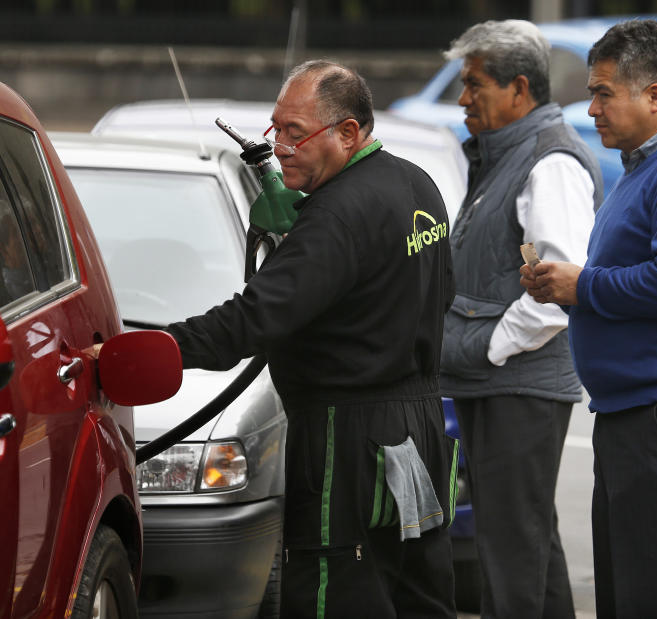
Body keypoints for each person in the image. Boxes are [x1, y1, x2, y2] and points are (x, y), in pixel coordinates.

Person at [164, 60, 457, 617]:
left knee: (334, 594)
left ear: (348, 133)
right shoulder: (417, 183)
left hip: (346, 438)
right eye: (276, 129)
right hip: (418, 427)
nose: (279, 147)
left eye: (295, 133)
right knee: (416, 595)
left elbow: (251, 321)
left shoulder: (336, 216)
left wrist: (157, 350)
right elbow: (440, 293)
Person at [520, 19, 657, 619]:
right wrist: (567, 287)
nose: (590, 108)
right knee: (630, 597)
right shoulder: (647, 166)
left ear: (655, 96)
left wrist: (581, 286)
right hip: (635, 417)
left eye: (602, 93)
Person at [434, 19, 602, 619]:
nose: (462, 99)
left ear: (519, 88)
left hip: (518, 382)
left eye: (474, 85)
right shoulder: (507, 154)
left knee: (511, 548)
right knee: (526, 540)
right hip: (501, 380)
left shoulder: (548, 161)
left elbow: (559, 284)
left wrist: (490, 347)